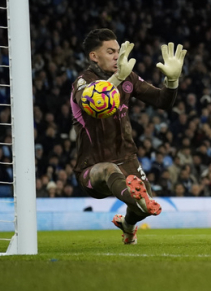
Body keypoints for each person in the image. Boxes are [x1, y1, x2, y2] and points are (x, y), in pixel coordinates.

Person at [71, 29, 187, 244]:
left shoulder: (128, 78)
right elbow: (92, 100)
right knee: (109, 171)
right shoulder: (82, 82)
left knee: (144, 209)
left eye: (119, 50)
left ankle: (128, 224)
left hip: (126, 158)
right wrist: (118, 77)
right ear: (93, 56)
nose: (117, 56)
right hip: (92, 166)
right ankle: (138, 200)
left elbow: (162, 101)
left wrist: (172, 81)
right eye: (110, 51)